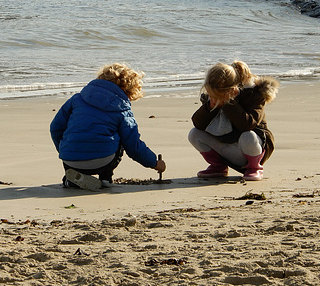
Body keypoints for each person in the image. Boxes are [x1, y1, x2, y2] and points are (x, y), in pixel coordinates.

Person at [50, 63, 166, 191]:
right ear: (127, 89)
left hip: (69, 160)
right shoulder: (122, 109)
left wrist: (64, 149)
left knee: (74, 136)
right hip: (103, 161)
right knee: (122, 138)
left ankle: (70, 179)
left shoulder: (77, 99)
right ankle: (105, 177)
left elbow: (55, 128)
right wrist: (155, 163)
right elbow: (134, 146)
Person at [188, 61, 279, 181]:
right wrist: (210, 106)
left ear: (232, 90)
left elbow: (247, 125)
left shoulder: (254, 95)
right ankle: (218, 167)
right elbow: (198, 123)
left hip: (250, 149)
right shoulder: (212, 97)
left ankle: (254, 168)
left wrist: (229, 103)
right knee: (194, 134)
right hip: (226, 147)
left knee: (248, 136)